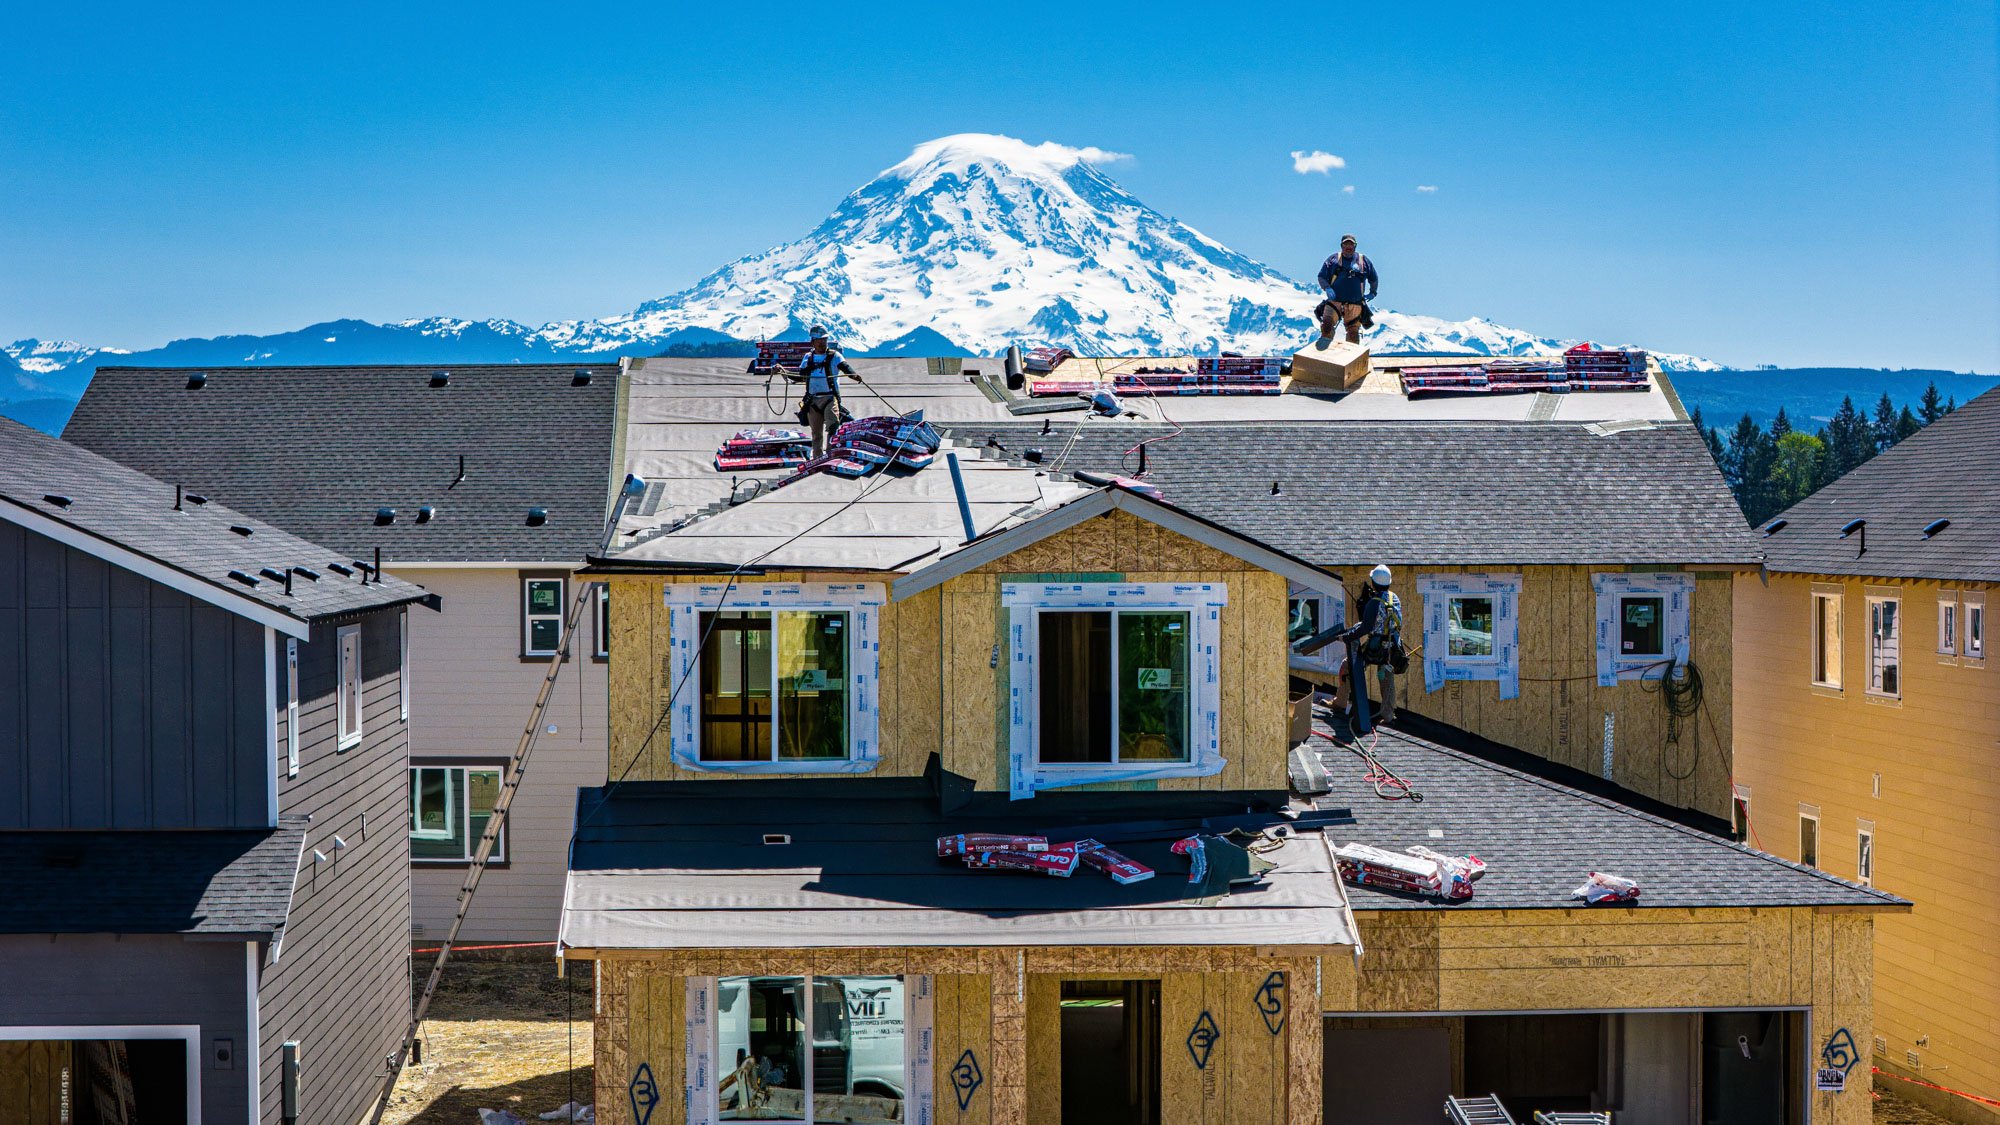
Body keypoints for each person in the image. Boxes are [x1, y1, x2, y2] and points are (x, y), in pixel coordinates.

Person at [1339, 564, 1402, 729]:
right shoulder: (1394, 598)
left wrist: (1348, 637)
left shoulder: (1374, 603)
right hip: (1391, 647)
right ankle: (1388, 715)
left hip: (1375, 646)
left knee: (1347, 666)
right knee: (1386, 678)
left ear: (1373, 583)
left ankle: (1340, 702)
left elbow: (1365, 628)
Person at [785, 325, 856, 457]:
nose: (822, 342)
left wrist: (853, 375)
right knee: (816, 434)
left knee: (833, 426)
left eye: (824, 340)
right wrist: (783, 372)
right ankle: (817, 458)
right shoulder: (808, 358)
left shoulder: (835, 356)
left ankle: (831, 454)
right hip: (812, 400)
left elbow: (845, 367)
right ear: (813, 341)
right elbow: (801, 376)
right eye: (819, 340)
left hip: (830, 398)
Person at [1315, 234, 1379, 345]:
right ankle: (1323, 359)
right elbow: (1321, 277)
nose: (1348, 247)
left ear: (1355, 246)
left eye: (1351, 244)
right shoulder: (1333, 259)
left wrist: (1373, 293)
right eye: (1346, 244)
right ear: (1341, 246)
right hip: (1334, 302)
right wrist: (1327, 288)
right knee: (1327, 327)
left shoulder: (1364, 261)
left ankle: (1351, 360)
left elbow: (1373, 278)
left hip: (1355, 304)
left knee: (1353, 334)